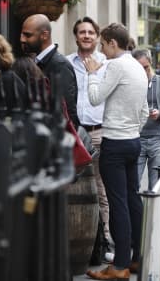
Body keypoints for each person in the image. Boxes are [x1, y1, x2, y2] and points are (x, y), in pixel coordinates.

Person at [83, 23, 148, 280]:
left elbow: (95, 98)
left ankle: (119, 266)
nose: (101, 49)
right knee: (133, 199)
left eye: (102, 44)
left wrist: (91, 73)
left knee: (118, 202)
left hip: (115, 143)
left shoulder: (117, 65)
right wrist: (132, 128)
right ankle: (136, 259)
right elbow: (144, 110)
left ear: (112, 42)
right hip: (133, 141)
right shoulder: (137, 66)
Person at [66, 17, 113, 250]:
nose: (86, 36)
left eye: (90, 32)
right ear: (75, 36)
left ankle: (103, 240)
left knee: (101, 188)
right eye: (82, 32)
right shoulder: (66, 63)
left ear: (97, 37)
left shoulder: (108, 63)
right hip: (73, 133)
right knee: (71, 186)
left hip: (99, 133)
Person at [20, 14, 79, 128]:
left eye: (27, 35)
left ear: (44, 35)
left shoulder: (60, 65)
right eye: (22, 34)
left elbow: (67, 112)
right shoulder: (37, 61)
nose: (22, 39)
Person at [133, 49, 160, 189]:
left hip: (159, 139)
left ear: (151, 63)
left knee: (156, 185)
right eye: (139, 68)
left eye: (146, 67)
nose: (143, 71)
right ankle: (137, 211)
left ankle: (153, 212)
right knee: (133, 183)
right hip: (136, 138)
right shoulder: (131, 84)